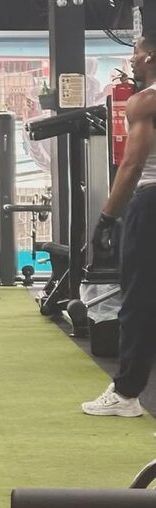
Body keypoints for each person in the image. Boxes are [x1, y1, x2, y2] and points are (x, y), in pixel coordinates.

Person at [82, 34, 156, 417]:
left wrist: (106, 218)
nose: (132, 60)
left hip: (152, 202)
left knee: (139, 299)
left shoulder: (145, 101)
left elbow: (132, 165)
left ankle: (126, 395)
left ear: (151, 56)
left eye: (136, 52)